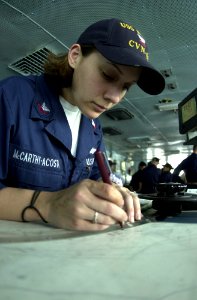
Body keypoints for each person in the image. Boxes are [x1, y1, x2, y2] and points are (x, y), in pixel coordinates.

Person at [0, 18, 165, 231]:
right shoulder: (11, 97)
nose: (114, 97)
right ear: (75, 56)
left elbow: (99, 176)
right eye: (107, 74)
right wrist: (49, 204)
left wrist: (114, 191)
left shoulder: (93, 128)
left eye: (126, 86)